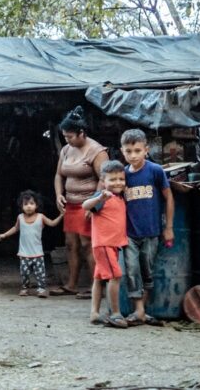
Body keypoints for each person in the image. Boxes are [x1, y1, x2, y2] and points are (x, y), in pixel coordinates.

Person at [51, 106, 109, 298]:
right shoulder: (67, 150)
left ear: (82, 133)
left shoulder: (97, 151)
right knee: (70, 244)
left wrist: (94, 204)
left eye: (70, 136)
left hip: (88, 206)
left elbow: (104, 179)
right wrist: (59, 194)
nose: (67, 140)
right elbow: (59, 175)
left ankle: (96, 287)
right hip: (70, 205)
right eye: (65, 136)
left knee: (88, 245)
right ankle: (71, 284)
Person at [119, 129, 174, 326]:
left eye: (137, 150)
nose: (133, 155)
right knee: (132, 270)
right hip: (129, 233)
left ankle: (142, 310)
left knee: (147, 270)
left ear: (146, 150)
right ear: (122, 152)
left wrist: (169, 227)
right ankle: (139, 310)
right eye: (128, 151)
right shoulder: (122, 175)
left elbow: (169, 198)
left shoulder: (155, 171)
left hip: (151, 232)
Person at [82, 160, 128, 328]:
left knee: (98, 278)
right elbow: (85, 205)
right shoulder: (103, 196)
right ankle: (115, 314)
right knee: (115, 276)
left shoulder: (119, 197)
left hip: (113, 245)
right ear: (103, 181)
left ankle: (94, 313)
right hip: (104, 244)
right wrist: (99, 197)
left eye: (121, 179)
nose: (118, 183)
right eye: (113, 179)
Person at [0, 190, 64, 298]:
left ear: (37, 205)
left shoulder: (41, 217)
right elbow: (15, 228)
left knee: (40, 274)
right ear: (21, 206)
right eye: (26, 204)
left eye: (32, 203)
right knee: (24, 273)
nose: (29, 206)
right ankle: (25, 288)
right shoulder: (20, 217)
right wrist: (4, 235)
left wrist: (61, 215)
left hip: (38, 253)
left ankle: (41, 289)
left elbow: (52, 223)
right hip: (24, 254)